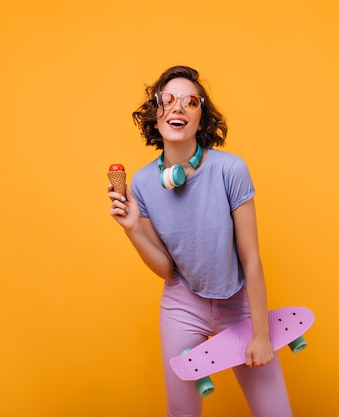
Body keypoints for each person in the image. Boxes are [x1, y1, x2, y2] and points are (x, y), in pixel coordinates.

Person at [108, 65, 292, 417]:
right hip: (182, 306)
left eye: (190, 101)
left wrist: (261, 335)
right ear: (155, 113)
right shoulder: (144, 184)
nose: (178, 107)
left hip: (238, 302)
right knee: (182, 413)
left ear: (200, 116)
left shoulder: (230, 169)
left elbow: (251, 259)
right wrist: (132, 228)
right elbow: (166, 270)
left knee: (276, 413)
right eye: (168, 100)